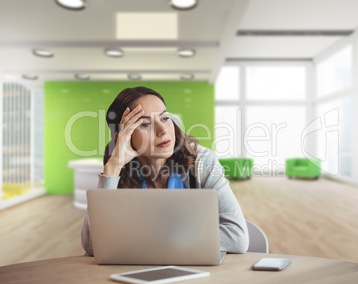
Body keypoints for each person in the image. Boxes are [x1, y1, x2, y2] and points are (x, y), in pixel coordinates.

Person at [81, 86, 249, 256]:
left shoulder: (202, 160)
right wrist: (113, 167)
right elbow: (93, 245)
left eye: (165, 118)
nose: (163, 131)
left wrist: (146, 240)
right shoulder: (116, 169)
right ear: (123, 136)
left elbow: (237, 237)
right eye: (145, 124)